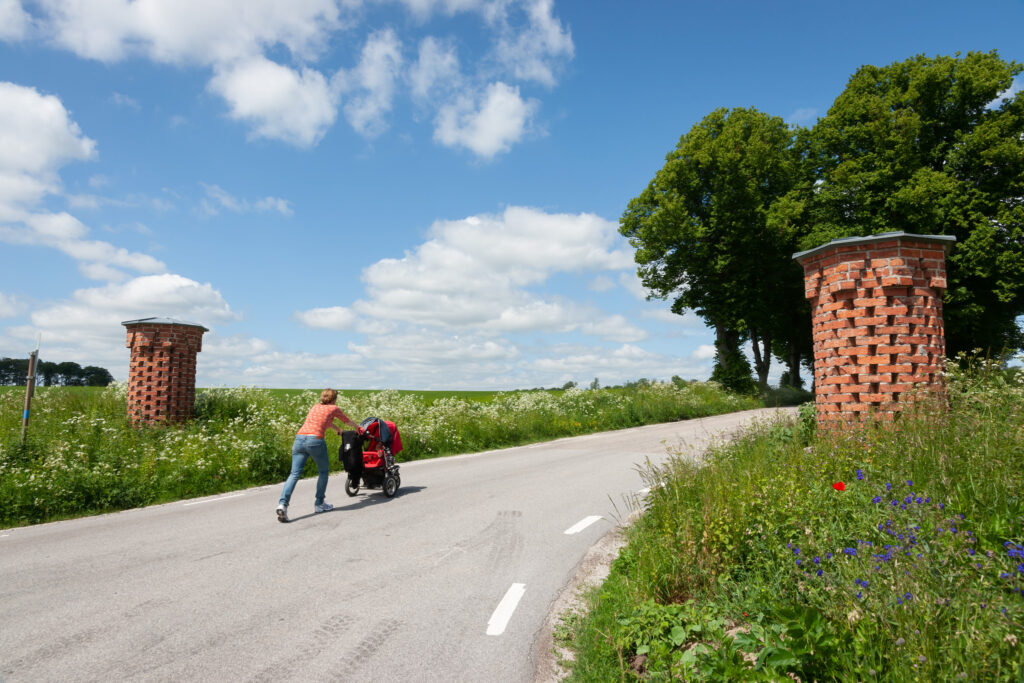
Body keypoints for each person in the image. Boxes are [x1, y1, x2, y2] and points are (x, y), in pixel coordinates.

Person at [276, 388, 359, 522]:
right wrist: (357, 428)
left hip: (299, 439)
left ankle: (282, 505)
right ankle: (319, 503)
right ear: (334, 399)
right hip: (315, 440)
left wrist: (337, 429)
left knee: (294, 474)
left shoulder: (315, 407)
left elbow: (324, 421)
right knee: (323, 472)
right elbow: (347, 421)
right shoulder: (334, 408)